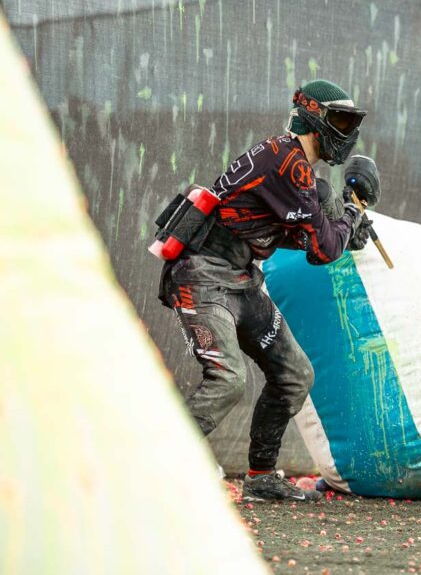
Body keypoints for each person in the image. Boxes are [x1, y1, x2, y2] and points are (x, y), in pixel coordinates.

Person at [156, 79, 377, 502]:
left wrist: (345, 226)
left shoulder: (291, 163)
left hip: (239, 279)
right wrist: (350, 215)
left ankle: (260, 477)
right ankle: (152, 467)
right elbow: (324, 250)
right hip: (201, 277)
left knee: (295, 374)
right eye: (341, 120)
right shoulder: (288, 163)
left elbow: (299, 239)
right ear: (315, 117)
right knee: (227, 380)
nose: (347, 132)